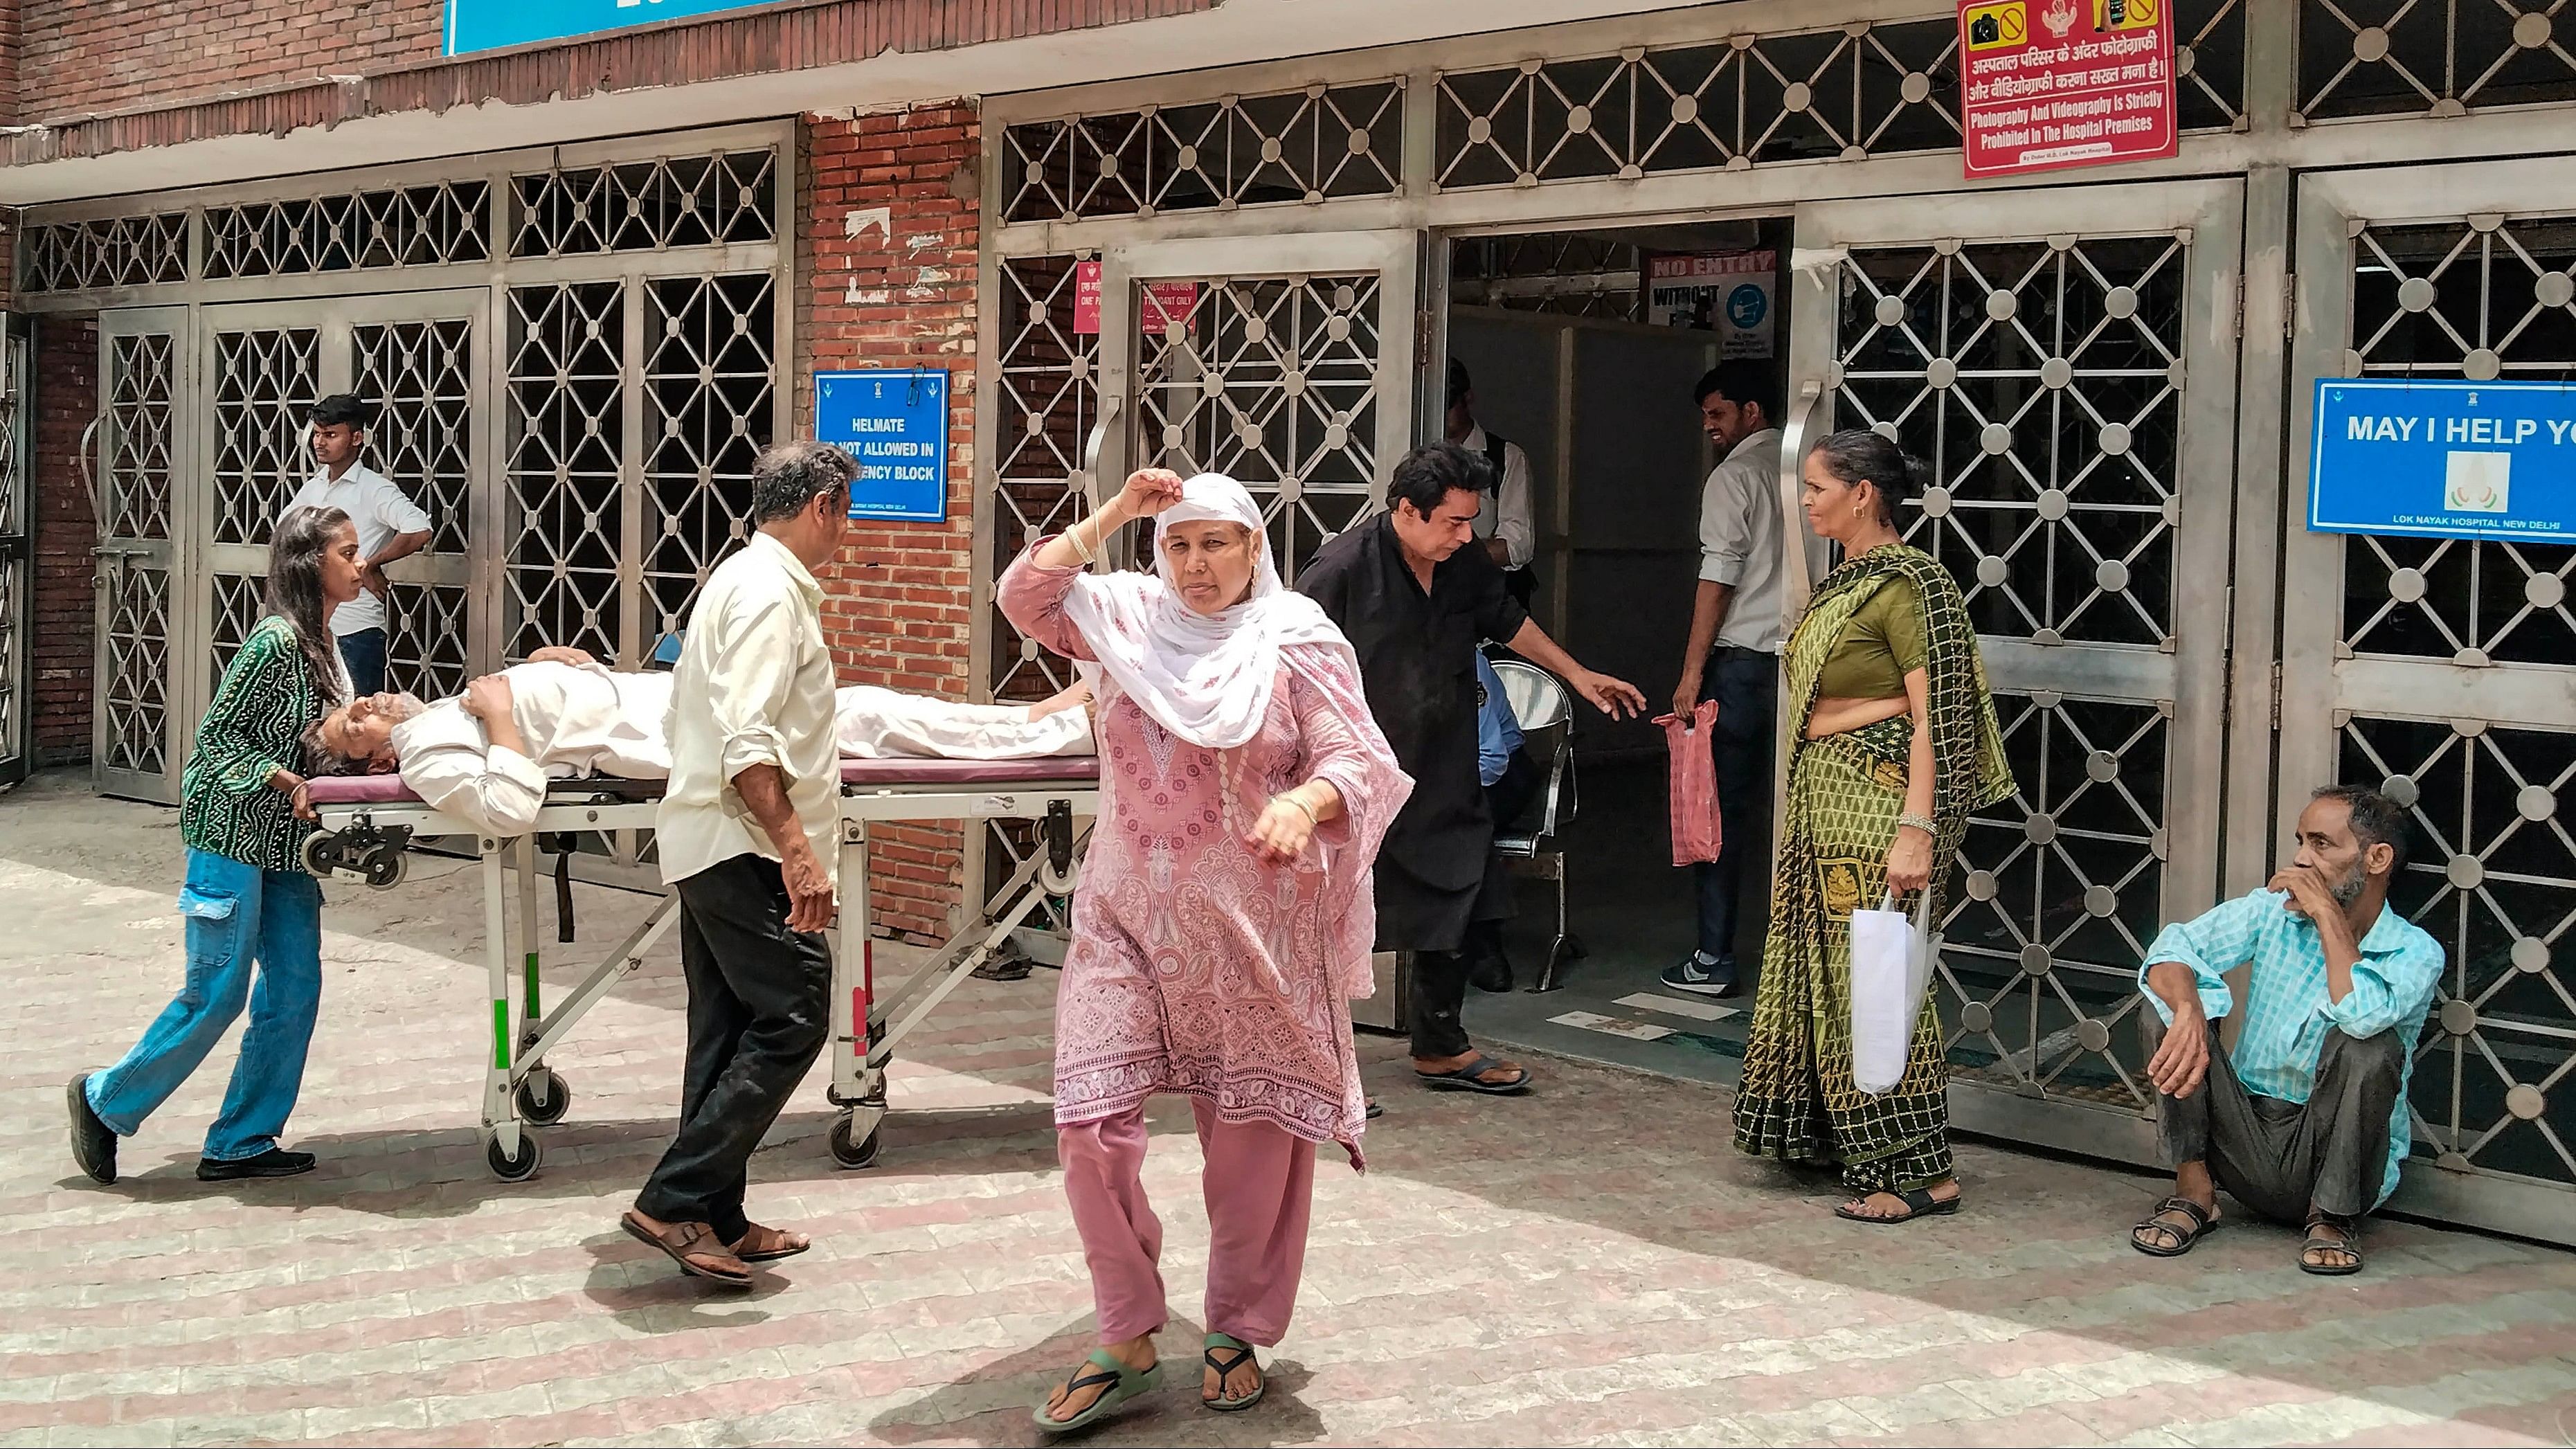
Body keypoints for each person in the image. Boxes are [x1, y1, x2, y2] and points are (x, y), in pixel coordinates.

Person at [998, 469, 1411, 1432]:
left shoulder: (1295, 639)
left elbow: (1358, 757)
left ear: (1254, 548)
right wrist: (1114, 514)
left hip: (1252, 930)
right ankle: (1129, 1331)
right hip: (1124, 922)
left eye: (1217, 542)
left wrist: (1304, 801)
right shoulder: (1122, 622)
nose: (1196, 563)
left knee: (1251, 1145)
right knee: (1087, 1126)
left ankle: (1233, 1328)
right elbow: (1025, 592)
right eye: (1179, 543)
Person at [1301, 442, 1646, 1095]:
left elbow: (1508, 621)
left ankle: (1440, 1047)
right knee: (1335, 911)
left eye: (1471, 520)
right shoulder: (1343, 565)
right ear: (1406, 509)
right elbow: (1289, 653)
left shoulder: (1461, 565)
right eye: (1454, 522)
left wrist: (1577, 674)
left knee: (1460, 894)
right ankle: (1316, 1065)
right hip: (1356, 773)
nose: (1467, 536)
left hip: (1444, 764)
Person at [1731, 429, 2013, 1223]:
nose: (1806, 501)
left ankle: (1922, 1170)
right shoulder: (1849, 580)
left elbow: (1938, 714)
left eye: (1816, 487)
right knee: (1830, 976)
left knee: (1878, 982)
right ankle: (1840, 1138)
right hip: (1827, 805)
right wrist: (1880, 706)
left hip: (1879, 808)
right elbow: (1846, 706)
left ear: (1863, 493)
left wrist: (1917, 829)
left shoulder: (1912, 584)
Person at [620, 440, 856, 1289]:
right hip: (744, 844)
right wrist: (797, 849)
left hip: (708, 839)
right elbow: (747, 740)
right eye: (846, 510)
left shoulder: (739, 579)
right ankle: (672, 1195)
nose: (846, 528)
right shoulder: (766, 596)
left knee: (724, 1030)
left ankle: (714, 1214)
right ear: (825, 502)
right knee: (795, 1012)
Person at [66, 507, 362, 1186]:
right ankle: (103, 1099)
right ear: (308, 563)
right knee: (219, 990)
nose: (359, 564)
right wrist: (283, 775)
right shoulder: (273, 642)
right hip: (230, 830)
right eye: (346, 552)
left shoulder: (328, 645)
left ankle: (242, 1138)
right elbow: (215, 744)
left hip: (285, 841)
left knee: (296, 985)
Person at [2127, 784, 2442, 1276]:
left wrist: (2325, 915)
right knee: (2163, 1009)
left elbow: (2361, 1013)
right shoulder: (2271, 911)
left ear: (2376, 857)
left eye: (2321, 844)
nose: (2299, 859)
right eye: (2300, 841)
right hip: (2244, 1137)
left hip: (2334, 1156)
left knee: (2368, 1045)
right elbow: (2171, 949)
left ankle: (2333, 1219)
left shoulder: (2414, 951)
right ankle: (2194, 1193)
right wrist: (2188, 1009)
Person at [303, 651, 1092, 836]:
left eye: (356, 704)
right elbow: (509, 806)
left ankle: (1040, 720)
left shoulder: (441, 711)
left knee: (868, 707)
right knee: (871, 718)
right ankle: (1053, 726)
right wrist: (507, 716)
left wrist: (562, 663)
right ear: (375, 760)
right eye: (355, 722)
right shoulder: (430, 751)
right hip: (687, 736)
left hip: (670, 699)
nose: (366, 703)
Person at [1664, 363, 1786, 1000]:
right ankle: (1802, 960)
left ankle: (1714, 956)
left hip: (1740, 667)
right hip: (1800, 666)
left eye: (1717, 415)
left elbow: (1718, 579)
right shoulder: (1808, 475)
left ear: (1752, 412)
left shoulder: (1734, 476)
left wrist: (1690, 674)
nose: (1709, 428)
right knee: (1798, 813)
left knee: (1721, 814)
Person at [278, 394, 431, 696]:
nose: (320, 443)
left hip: (355, 629)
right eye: (318, 435)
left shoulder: (374, 489)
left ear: (356, 438)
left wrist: (371, 564)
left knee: (356, 725)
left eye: (331, 435)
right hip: (311, 628)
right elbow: (284, 534)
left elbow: (419, 529)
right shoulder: (313, 487)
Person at [1463, 650, 1543, 993]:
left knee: (1463, 821)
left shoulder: (1465, 661)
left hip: (1504, 774)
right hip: (1444, 774)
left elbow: (1491, 759)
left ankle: (1485, 949)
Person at [1445, 358, 1538, 609]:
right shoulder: (1413, 454)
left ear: (1468, 398)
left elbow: (1518, 544)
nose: (1442, 412)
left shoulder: (1506, 457)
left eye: (1449, 403)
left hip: (1485, 604)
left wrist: (1451, 557)